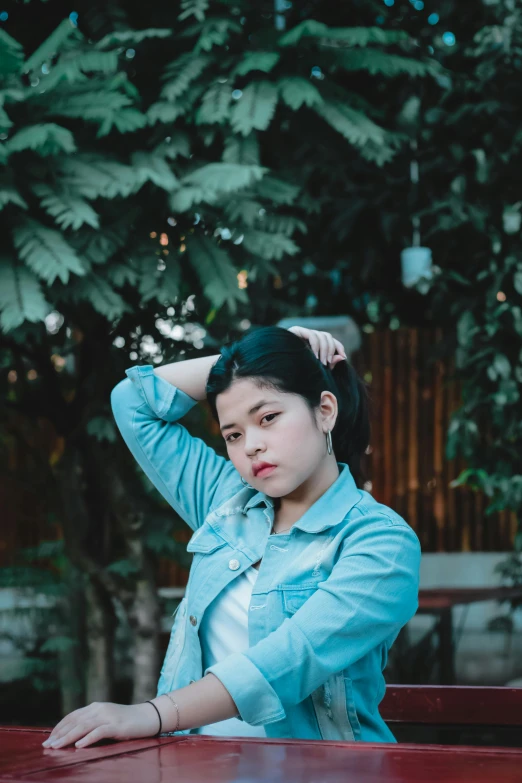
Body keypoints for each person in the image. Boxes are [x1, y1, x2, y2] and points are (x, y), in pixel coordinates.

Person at [42, 325, 420, 749]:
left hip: (325, 773)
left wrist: (150, 714)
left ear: (324, 411)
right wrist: (241, 362)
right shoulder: (226, 501)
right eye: (233, 435)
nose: (251, 446)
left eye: (268, 417)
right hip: (197, 767)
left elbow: (288, 661)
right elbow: (131, 403)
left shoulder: (381, 543)